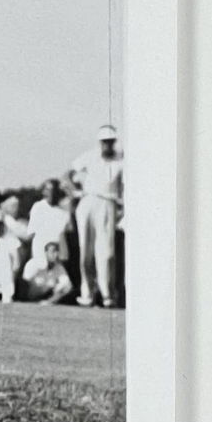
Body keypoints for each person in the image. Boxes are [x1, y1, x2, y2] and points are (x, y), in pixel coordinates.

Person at [69, 126, 124, 308]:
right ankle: (87, 292)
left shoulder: (121, 160)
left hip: (108, 204)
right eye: (104, 142)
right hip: (88, 201)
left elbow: (124, 186)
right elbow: (70, 172)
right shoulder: (90, 156)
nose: (107, 145)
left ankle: (107, 294)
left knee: (106, 253)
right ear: (99, 142)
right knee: (86, 250)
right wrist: (75, 190)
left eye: (110, 141)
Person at [21, 238, 76, 305]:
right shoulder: (33, 264)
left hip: (45, 296)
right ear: (46, 252)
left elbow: (67, 286)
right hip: (27, 297)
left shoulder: (59, 267)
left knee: (66, 287)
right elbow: (24, 282)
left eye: (57, 251)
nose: (56, 255)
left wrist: (49, 301)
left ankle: (49, 301)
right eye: (53, 251)